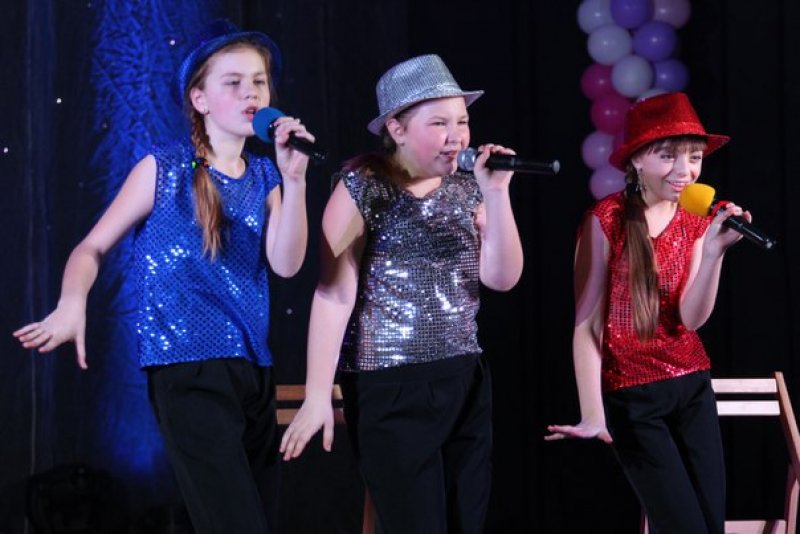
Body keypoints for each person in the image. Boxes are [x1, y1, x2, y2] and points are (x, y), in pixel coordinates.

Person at [13, 19, 313, 534]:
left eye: (259, 82)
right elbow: (90, 247)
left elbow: (287, 264)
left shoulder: (267, 176)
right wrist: (71, 302)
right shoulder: (163, 168)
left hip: (253, 369)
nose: (251, 93)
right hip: (188, 367)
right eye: (233, 82)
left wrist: (295, 180)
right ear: (199, 99)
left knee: (261, 518)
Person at [279, 54, 524, 533]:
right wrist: (316, 395)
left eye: (462, 121)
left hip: (464, 376)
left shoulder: (470, 189)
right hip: (390, 386)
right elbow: (333, 295)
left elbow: (502, 278)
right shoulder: (363, 187)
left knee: (464, 520)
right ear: (397, 128)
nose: (456, 136)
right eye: (439, 123)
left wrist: (497, 194)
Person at [546, 92, 751, 534]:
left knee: (710, 526)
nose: (685, 171)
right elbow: (587, 326)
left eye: (694, 158)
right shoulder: (606, 220)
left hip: (692, 386)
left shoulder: (696, 221)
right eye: (668, 156)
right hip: (634, 396)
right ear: (637, 159)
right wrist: (592, 413)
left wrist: (714, 254)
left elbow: (690, 320)